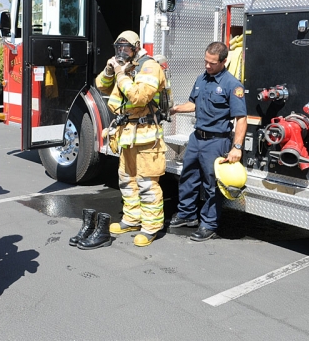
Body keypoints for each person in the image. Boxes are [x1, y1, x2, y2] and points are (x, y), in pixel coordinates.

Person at [94, 30, 167, 247]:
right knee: (127, 181)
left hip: (147, 138)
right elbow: (101, 85)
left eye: (126, 48)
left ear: (136, 47)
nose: (121, 53)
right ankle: (132, 219)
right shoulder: (126, 67)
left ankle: (151, 227)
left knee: (146, 183)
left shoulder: (149, 66)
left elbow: (138, 97)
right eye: (118, 49)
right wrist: (110, 70)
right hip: (127, 136)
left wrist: (120, 74)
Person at [169, 42, 247, 241]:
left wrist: (237, 147)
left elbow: (241, 118)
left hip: (216, 141)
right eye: (206, 61)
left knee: (211, 185)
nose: (207, 66)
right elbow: (193, 104)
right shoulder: (201, 79)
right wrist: (176, 109)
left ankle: (209, 224)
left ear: (224, 61)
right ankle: (186, 215)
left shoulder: (232, 85)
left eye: (212, 63)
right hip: (197, 138)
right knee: (188, 178)